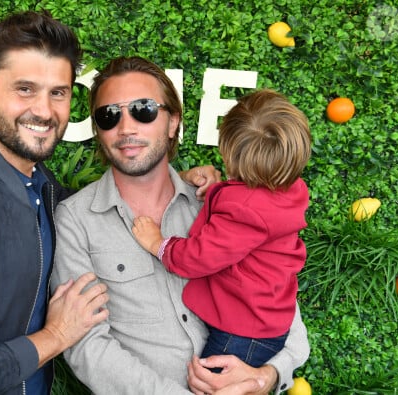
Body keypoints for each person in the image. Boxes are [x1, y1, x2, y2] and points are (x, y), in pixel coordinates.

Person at [0, 11, 217, 395]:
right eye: (24, 89)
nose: (44, 111)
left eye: (57, 92)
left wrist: (190, 179)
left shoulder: (37, 184)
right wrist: (57, 335)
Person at [51, 57, 310, 395]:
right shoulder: (75, 219)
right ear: (99, 130)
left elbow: (283, 313)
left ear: (173, 122)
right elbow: (85, 345)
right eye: (109, 115)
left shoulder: (220, 205)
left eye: (143, 110)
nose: (126, 127)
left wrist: (266, 377)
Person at [132, 89, 311, 373]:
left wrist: (158, 243)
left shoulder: (245, 210)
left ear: (229, 151)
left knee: (207, 383)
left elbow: (198, 257)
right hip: (263, 320)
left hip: (244, 332)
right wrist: (218, 192)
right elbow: (253, 213)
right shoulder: (288, 190)